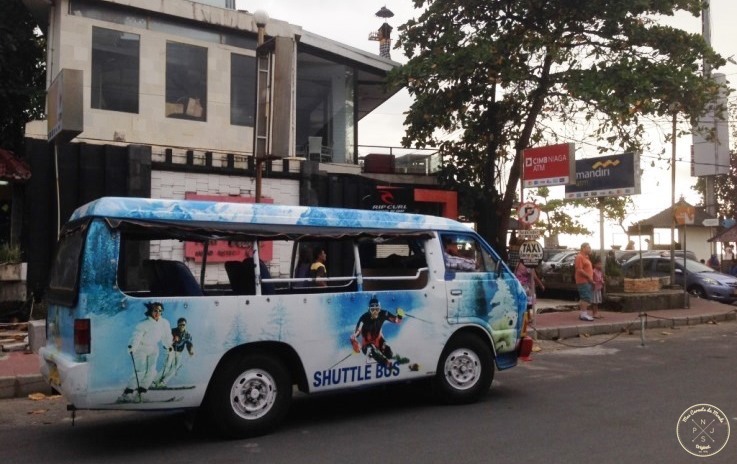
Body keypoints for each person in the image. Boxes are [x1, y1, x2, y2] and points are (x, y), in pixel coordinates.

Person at [118, 302, 173, 402]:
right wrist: (132, 347)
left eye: (160, 311)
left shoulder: (164, 323)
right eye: (155, 310)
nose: (157, 313)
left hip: (153, 348)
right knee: (141, 371)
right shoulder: (143, 324)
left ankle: (140, 394)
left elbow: (166, 336)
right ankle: (127, 393)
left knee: (151, 372)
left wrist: (168, 345)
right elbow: (136, 336)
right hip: (141, 348)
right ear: (151, 311)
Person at [350, 296, 405, 366]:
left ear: (380, 309)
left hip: (378, 340)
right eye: (373, 310)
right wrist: (354, 342)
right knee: (371, 350)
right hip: (367, 343)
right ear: (369, 310)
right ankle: (385, 362)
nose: (375, 312)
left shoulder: (384, 313)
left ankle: (383, 358)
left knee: (389, 353)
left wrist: (400, 315)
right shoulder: (364, 318)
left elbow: (396, 320)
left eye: (377, 309)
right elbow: (357, 333)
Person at [154, 317, 194, 388]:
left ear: (186, 325)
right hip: (171, 350)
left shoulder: (187, 334)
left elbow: (189, 344)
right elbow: (165, 341)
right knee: (167, 366)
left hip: (179, 352)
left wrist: (190, 351)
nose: (181, 326)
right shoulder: (172, 331)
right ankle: (155, 382)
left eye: (183, 325)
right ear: (177, 325)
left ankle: (162, 382)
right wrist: (172, 340)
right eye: (180, 325)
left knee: (175, 368)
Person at [574, 242, 595, 321]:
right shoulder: (579, 257)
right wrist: (588, 276)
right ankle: (583, 314)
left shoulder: (586, 257)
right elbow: (579, 269)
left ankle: (584, 313)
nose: (590, 249)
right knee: (585, 297)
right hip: (583, 280)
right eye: (588, 247)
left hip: (587, 280)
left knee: (586, 296)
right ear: (583, 248)